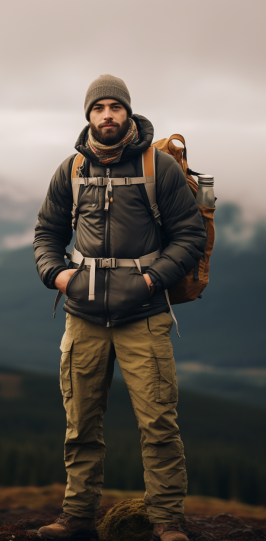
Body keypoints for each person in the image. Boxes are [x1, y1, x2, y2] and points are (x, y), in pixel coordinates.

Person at [34, 74, 207, 541]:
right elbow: (47, 235)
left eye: (115, 106)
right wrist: (59, 275)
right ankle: (76, 517)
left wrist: (151, 279)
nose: (107, 114)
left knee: (158, 425)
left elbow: (190, 236)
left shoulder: (159, 168)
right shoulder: (71, 170)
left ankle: (167, 523)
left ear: (127, 112)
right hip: (83, 317)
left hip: (145, 316)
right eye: (98, 107)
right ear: (88, 115)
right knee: (80, 424)